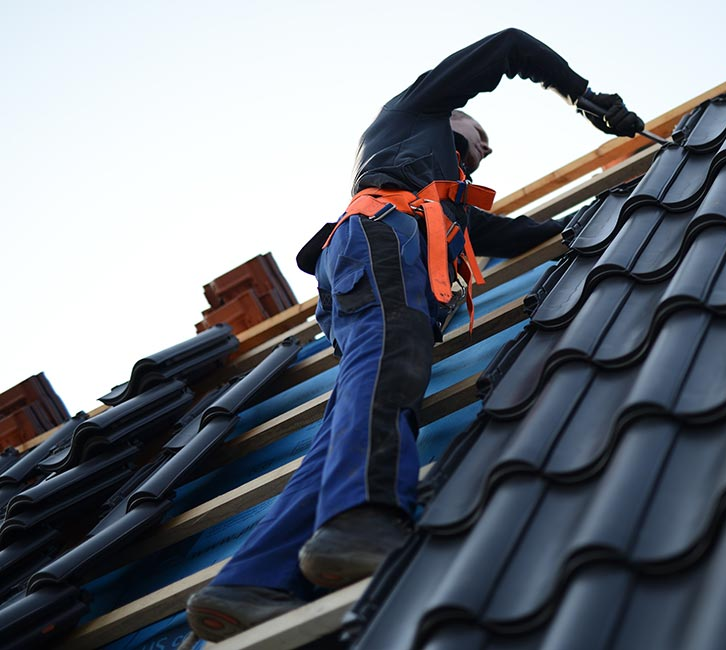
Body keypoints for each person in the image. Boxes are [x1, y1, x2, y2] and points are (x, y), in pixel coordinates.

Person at [184, 28, 644, 641]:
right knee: (388, 369)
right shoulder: (410, 115)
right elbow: (511, 46)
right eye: (477, 140)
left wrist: (601, 212)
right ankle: (362, 518)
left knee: (352, 410)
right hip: (380, 239)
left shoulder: (445, 205)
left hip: (367, 262)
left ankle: (251, 581)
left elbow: (514, 235)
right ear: (449, 115)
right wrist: (585, 97)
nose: (481, 155)